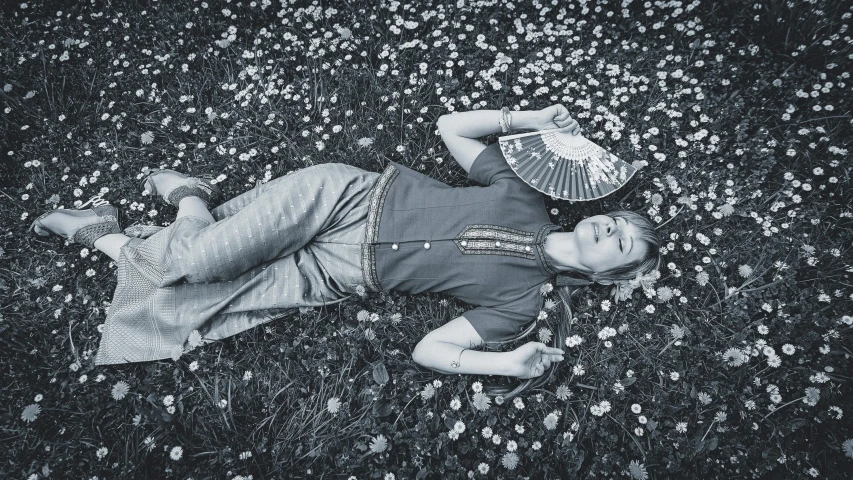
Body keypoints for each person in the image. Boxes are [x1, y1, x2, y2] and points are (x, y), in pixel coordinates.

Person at [30, 105, 661, 393]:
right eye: (618, 219)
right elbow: (450, 127)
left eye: (626, 243)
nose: (614, 229)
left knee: (178, 307)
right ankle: (176, 201)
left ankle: (176, 201)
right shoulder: (523, 190)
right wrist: (528, 119)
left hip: (337, 270)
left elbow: (430, 350)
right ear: (597, 211)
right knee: (189, 263)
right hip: (345, 199)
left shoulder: (520, 306)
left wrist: (503, 365)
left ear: (612, 275)